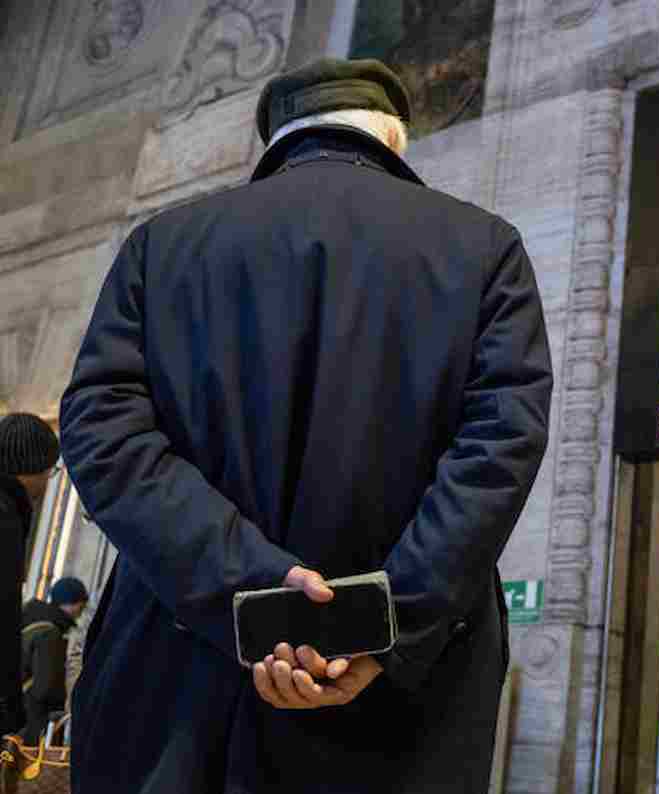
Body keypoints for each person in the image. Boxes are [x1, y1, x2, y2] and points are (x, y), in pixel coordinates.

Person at [58, 57, 553, 793]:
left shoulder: (160, 248)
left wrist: (248, 590)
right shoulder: (486, 249)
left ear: (276, 141)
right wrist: (378, 623)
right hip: (401, 708)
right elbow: (500, 446)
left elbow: (102, 431)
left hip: (176, 679)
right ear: (394, 136)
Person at [0, 413, 60, 736]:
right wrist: (9, 712)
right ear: (30, 468)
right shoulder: (6, 518)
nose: (48, 480)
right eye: (49, 470)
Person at [20, 577, 88, 744]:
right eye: (81, 603)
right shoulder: (50, 632)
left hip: (15, 708)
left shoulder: (30, 619)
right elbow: (46, 686)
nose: (82, 610)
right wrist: (57, 712)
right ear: (71, 603)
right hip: (30, 718)